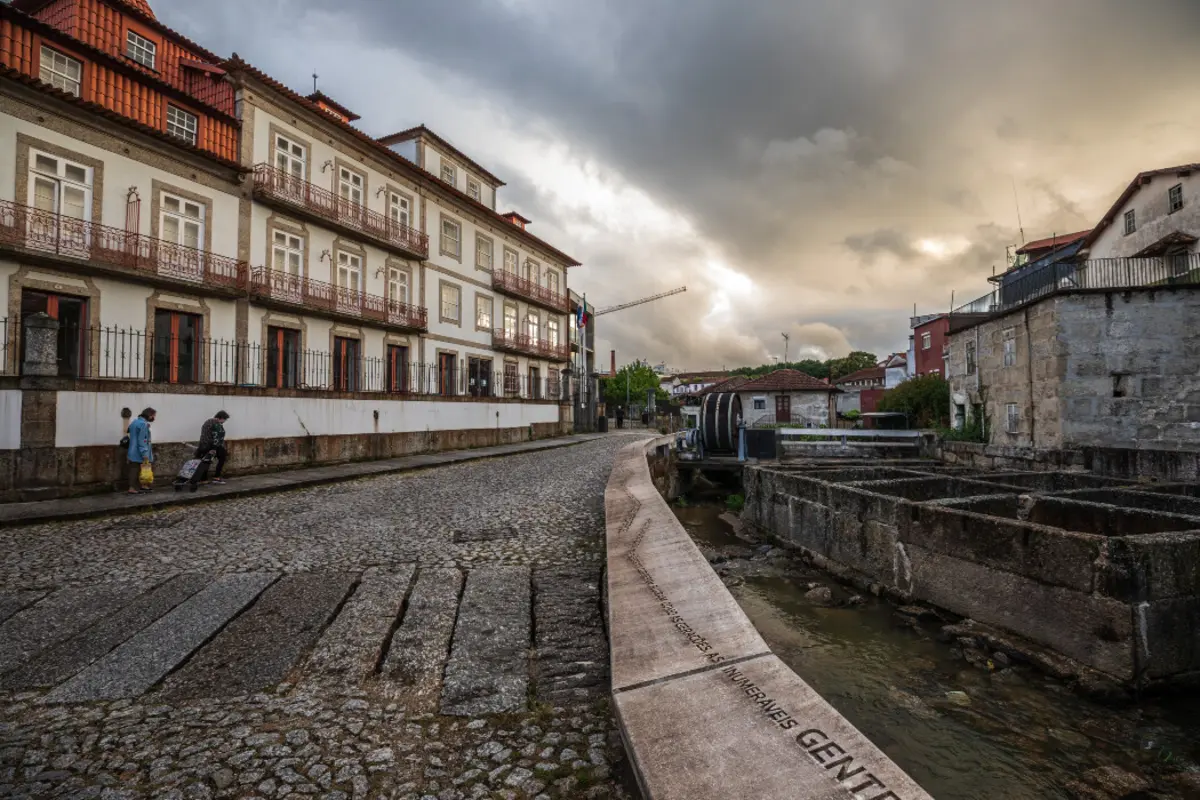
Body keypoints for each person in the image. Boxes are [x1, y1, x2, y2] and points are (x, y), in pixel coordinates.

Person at [125, 407, 155, 495]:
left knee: (134, 469)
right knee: (141, 469)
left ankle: (143, 486)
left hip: (132, 450)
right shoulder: (143, 424)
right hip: (140, 451)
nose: (154, 418)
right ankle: (134, 488)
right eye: (153, 416)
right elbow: (143, 440)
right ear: (149, 415)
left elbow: (130, 433)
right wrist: (145, 453)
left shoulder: (135, 422)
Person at [197, 410, 230, 484]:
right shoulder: (216, 424)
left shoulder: (208, 421)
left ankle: (203, 479)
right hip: (212, 445)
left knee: (206, 461)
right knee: (222, 457)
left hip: (203, 445)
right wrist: (214, 448)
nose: (224, 421)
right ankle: (216, 477)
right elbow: (216, 437)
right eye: (225, 419)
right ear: (221, 418)